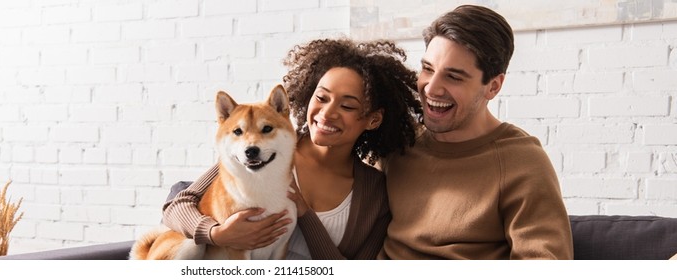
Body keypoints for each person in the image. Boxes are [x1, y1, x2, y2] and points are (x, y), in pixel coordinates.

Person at [161, 38, 423, 259]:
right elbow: (178, 205)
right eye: (321, 98)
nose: (327, 113)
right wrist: (216, 233)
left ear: (373, 119)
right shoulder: (267, 152)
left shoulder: (373, 191)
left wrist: (304, 214)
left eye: (347, 106)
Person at [378, 5, 574, 259]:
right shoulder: (398, 140)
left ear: (493, 87)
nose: (431, 89)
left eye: (454, 77)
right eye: (427, 69)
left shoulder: (521, 161)